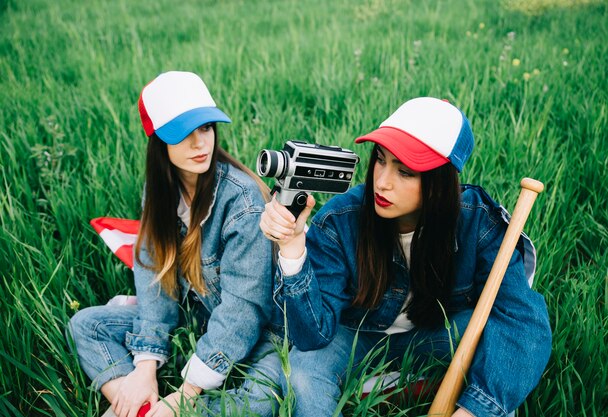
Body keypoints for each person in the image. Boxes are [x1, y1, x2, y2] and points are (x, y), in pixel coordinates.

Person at [259, 97, 552, 417]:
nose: (382, 182)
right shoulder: (341, 219)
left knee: (492, 336)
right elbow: (312, 335)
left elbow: (523, 322)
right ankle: (397, 383)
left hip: (435, 336)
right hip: (358, 338)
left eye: (406, 171)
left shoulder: (478, 223)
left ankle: (404, 385)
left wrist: (474, 411)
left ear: (440, 181)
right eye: (381, 160)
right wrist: (292, 250)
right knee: (303, 370)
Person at [69, 71, 274, 417]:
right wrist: (145, 367)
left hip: (258, 336)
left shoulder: (243, 201)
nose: (200, 143)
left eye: (206, 127)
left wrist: (185, 395)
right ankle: (139, 406)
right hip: (197, 318)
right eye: (184, 133)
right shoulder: (161, 189)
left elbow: (245, 309)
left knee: (261, 402)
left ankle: (163, 411)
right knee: (85, 325)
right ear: (159, 140)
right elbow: (154, 274)